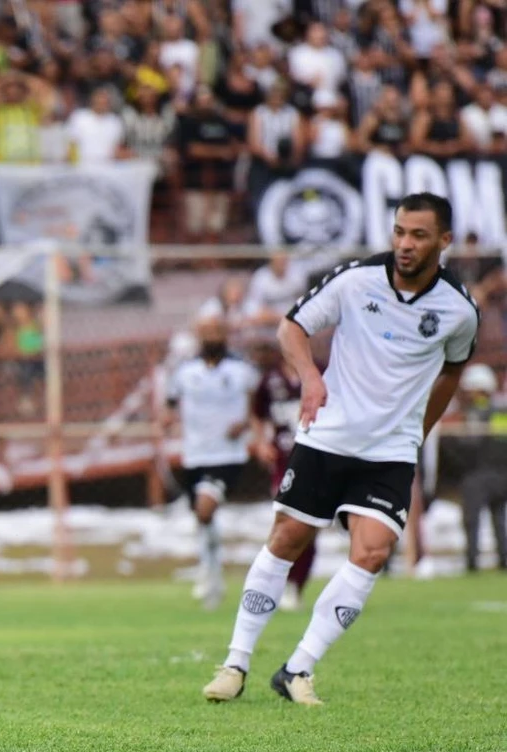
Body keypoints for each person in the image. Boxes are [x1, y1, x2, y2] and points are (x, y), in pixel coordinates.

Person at [202, 193, 480, 706]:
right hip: (328, 436)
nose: (404, 244)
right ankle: (236, 663)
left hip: (391, 450)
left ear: (443, 241)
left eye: (418, 235)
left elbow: (454, 368)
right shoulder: (355, 280)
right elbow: (292, 327)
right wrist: (310, 377)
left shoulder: (459, 310)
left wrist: (419, 429)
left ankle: (297, 669)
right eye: (399, 231)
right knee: (288, 538)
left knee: (372, 552)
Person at [162, 315, 259, 610]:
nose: (212, 336)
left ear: (225, 334)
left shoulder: (241, 370)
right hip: (195, 454)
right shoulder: (185, 371)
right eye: (206, 331)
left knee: (205, 509)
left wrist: (245, 423)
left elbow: (256, 405)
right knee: (203, 517)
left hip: (227, 455)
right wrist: (167, 421)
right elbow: (170, 403)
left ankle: (209, 570)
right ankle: (212, 570)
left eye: (217, 330)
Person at [249, 337, 315, 611]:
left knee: (309, 528)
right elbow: (257, 412)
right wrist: (261, 442)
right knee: (286, 523)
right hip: (283, 462)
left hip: (315, 459)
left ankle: (296, 585)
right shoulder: (271, 380)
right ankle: (279, 583)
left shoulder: (322, 372)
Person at [451, 364, 507, 572]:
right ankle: (504, 560)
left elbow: (470, 444)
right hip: (502, 475)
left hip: (478, 475)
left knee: (472, 521)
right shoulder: (502, 411)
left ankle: (472, 563)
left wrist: (455, 440)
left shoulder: (476, 412)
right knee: (499, 519)